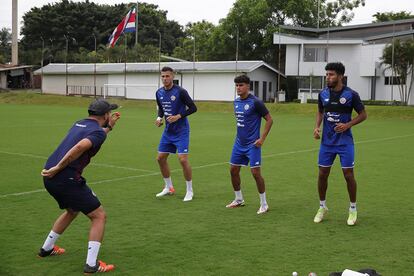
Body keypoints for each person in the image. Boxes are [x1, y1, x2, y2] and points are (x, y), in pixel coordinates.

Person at [38, 99, 121, 274]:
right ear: (105, 115)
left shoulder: (80, 123)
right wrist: (59, 167)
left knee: (72, 210)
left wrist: (110, 127)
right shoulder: (96, 132)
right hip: (63, 176)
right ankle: (92, 265)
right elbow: (81, 146)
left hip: (49, 177)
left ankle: (47, 248)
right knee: (99, 216)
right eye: (109, 113)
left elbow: (94, 137)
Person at [313, 62, 367, 226]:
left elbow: (363, 115)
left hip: (345, 143)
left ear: (341, 76)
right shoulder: (323, 94)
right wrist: (317, 127)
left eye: (331, 74)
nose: (327, 77)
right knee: (322, 174)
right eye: (327, 74)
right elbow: (320, 111)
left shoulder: (351, 95)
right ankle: (322, 207)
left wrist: (348, 125)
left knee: (348, 175)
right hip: (327, 143)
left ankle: (352, 209)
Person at [226, 75, 273, 214]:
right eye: (236, 85)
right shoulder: (235, 102)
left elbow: (269, 120)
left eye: (241, 85)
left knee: (255, 173)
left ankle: (264, 204)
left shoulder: (256, 102)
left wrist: (262, 139)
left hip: (253, 144)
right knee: (233, 170)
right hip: (239, 144)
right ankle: (238, 199)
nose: (238, 88)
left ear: (248, 86)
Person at [155, 66, 197, 201]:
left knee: (183, 159)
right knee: (160, 158)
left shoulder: (180, 92)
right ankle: (168, 187)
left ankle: (189, 191)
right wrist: (159, 118)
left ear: (173, 76)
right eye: (163, 76)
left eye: (167, 76)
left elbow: (193, 108)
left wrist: (178, 116)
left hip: (181, 131)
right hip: (168, 131)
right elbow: (161, 108)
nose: (165, 79)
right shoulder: (159, 92)